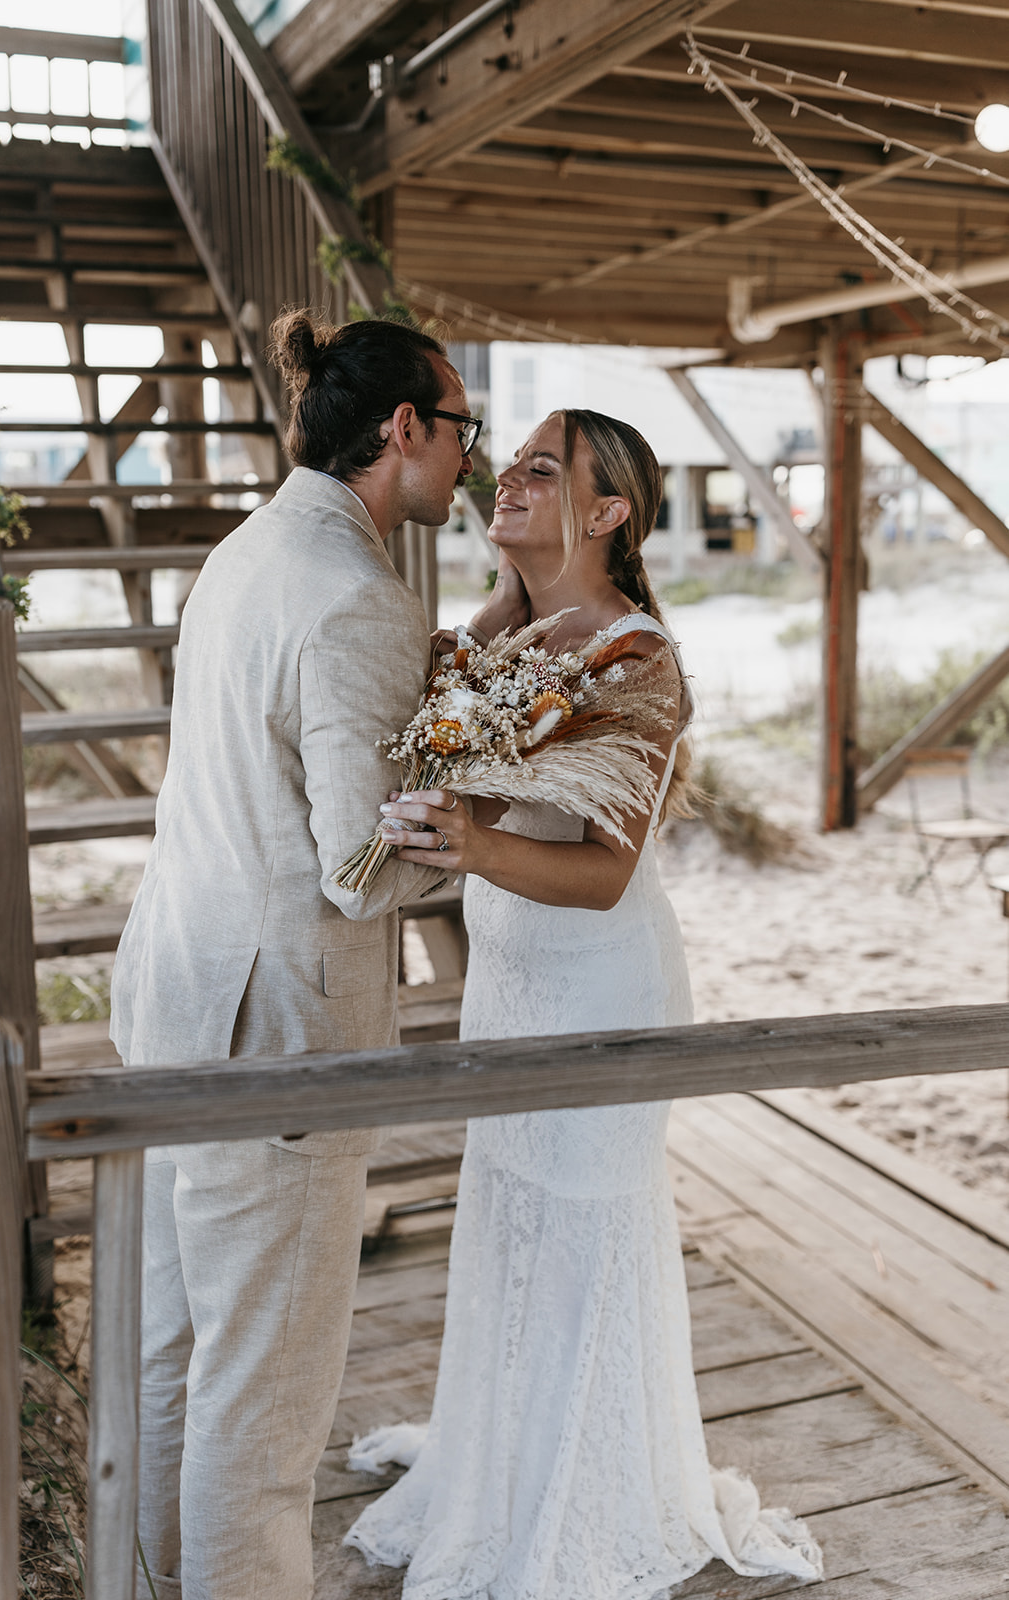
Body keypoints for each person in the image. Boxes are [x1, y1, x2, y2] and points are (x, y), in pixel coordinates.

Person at [343, 410, 824, 1598]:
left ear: (607, 512)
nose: (505, 479)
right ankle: (500, 1464)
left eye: (540, 470)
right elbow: (475, 779)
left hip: (598, 984)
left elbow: (605, 874)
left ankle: (580, 1498)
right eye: (508, 465)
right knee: (509, 1219)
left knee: (578, 1239)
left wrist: (466, 840)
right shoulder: (507, 636)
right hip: (506, 979)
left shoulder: (634, 655)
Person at [109, 310, 490, 1600]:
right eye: (460, 428)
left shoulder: (243, 551)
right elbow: (359, 865)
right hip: (274, 1039)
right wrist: (475, 818)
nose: (469, 456)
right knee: (264, 1405)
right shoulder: (357, 600)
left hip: (174, 999)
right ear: (400, 430)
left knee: (175, 1352)